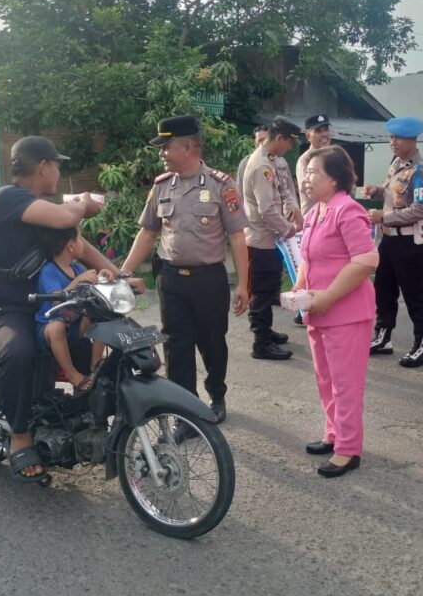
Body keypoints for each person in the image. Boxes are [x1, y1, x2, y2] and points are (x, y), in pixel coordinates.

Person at [0, 136, 116, 481]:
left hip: (55, 303)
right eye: (57, 164)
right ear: (44, 165)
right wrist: (84, 202)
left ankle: (86, 414)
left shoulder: (43, 208)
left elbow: (81, 246)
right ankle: (19, 435)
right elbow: (66, 217)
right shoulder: (8, 198)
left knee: (100, 338)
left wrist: (120, 277)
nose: (59, 171)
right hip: (11, 309)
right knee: (19, 351)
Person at [119, 114, 250, 424]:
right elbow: (148, 232)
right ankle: (186, 412)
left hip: (208, 280)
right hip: (171, 279)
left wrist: (244, 284)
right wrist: (123, 272)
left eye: (167, 148)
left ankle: (216, 395)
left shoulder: (222, 185)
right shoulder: (162, 186)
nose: (162, 154)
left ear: (189, 147)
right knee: (176, 347)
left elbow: (237, 237)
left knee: (212, 342)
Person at [296, 146, 378, 478]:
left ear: (334, 178)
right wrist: (299, 290)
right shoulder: (316, 211)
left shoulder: (348, 210)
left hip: (346, 313)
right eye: (306, 173)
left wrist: (327, 296)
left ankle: (348, 449)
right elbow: (307, 258)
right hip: (319, 310)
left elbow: (366, 261)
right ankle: (334, 434)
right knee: (326, 379)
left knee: (346, 384)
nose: (306, 179)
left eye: (313, 173)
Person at [364, 116, 423, 368]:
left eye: (398, 138)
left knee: (415, 294)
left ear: (413, 140)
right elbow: (394, 193)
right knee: (383, 290)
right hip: (388, 239)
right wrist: (377, 191)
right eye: (391, 137)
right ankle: (383, 336)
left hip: (409, 241)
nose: (392, 142)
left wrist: (384, 216)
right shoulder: (397, 164)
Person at [242, 116, 303, 360]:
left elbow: (284, 191)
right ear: (279, 139)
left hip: (270, 239)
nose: (289, 148)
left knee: (268, 289)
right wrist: (288, 229)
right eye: (288, 143)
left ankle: (265, 332)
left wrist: (294, 210)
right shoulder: (260, 166)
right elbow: (267, 209)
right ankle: (261, 343)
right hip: (262, 240)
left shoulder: (270, 161)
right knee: (262, 292)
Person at [35, 226, 105, 393]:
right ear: (71, 246)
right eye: (81, 239)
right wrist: (77, 282)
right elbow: (55, 302)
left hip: (75, 327)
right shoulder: (49, 271)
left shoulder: (77, 269)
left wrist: (103, 276)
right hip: (49, 329)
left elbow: (93, 290)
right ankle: (72, 374)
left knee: (101, 314)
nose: (83, 244)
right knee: (57, 327)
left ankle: (96, 365)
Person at [295, 114, 334, 215]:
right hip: (313, 218)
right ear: (308, 136)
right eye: (318, 131)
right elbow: (307, 187)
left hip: (333, 216)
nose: (324, 134)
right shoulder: (305, 160)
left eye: (326, 129)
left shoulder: (334, 157)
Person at [235, 125, 269, 196]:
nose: (262, 143)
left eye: (265, 140)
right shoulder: (246, 163)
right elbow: (240, 190)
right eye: (260, 140)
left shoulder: (278, 162)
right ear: (255, 143)